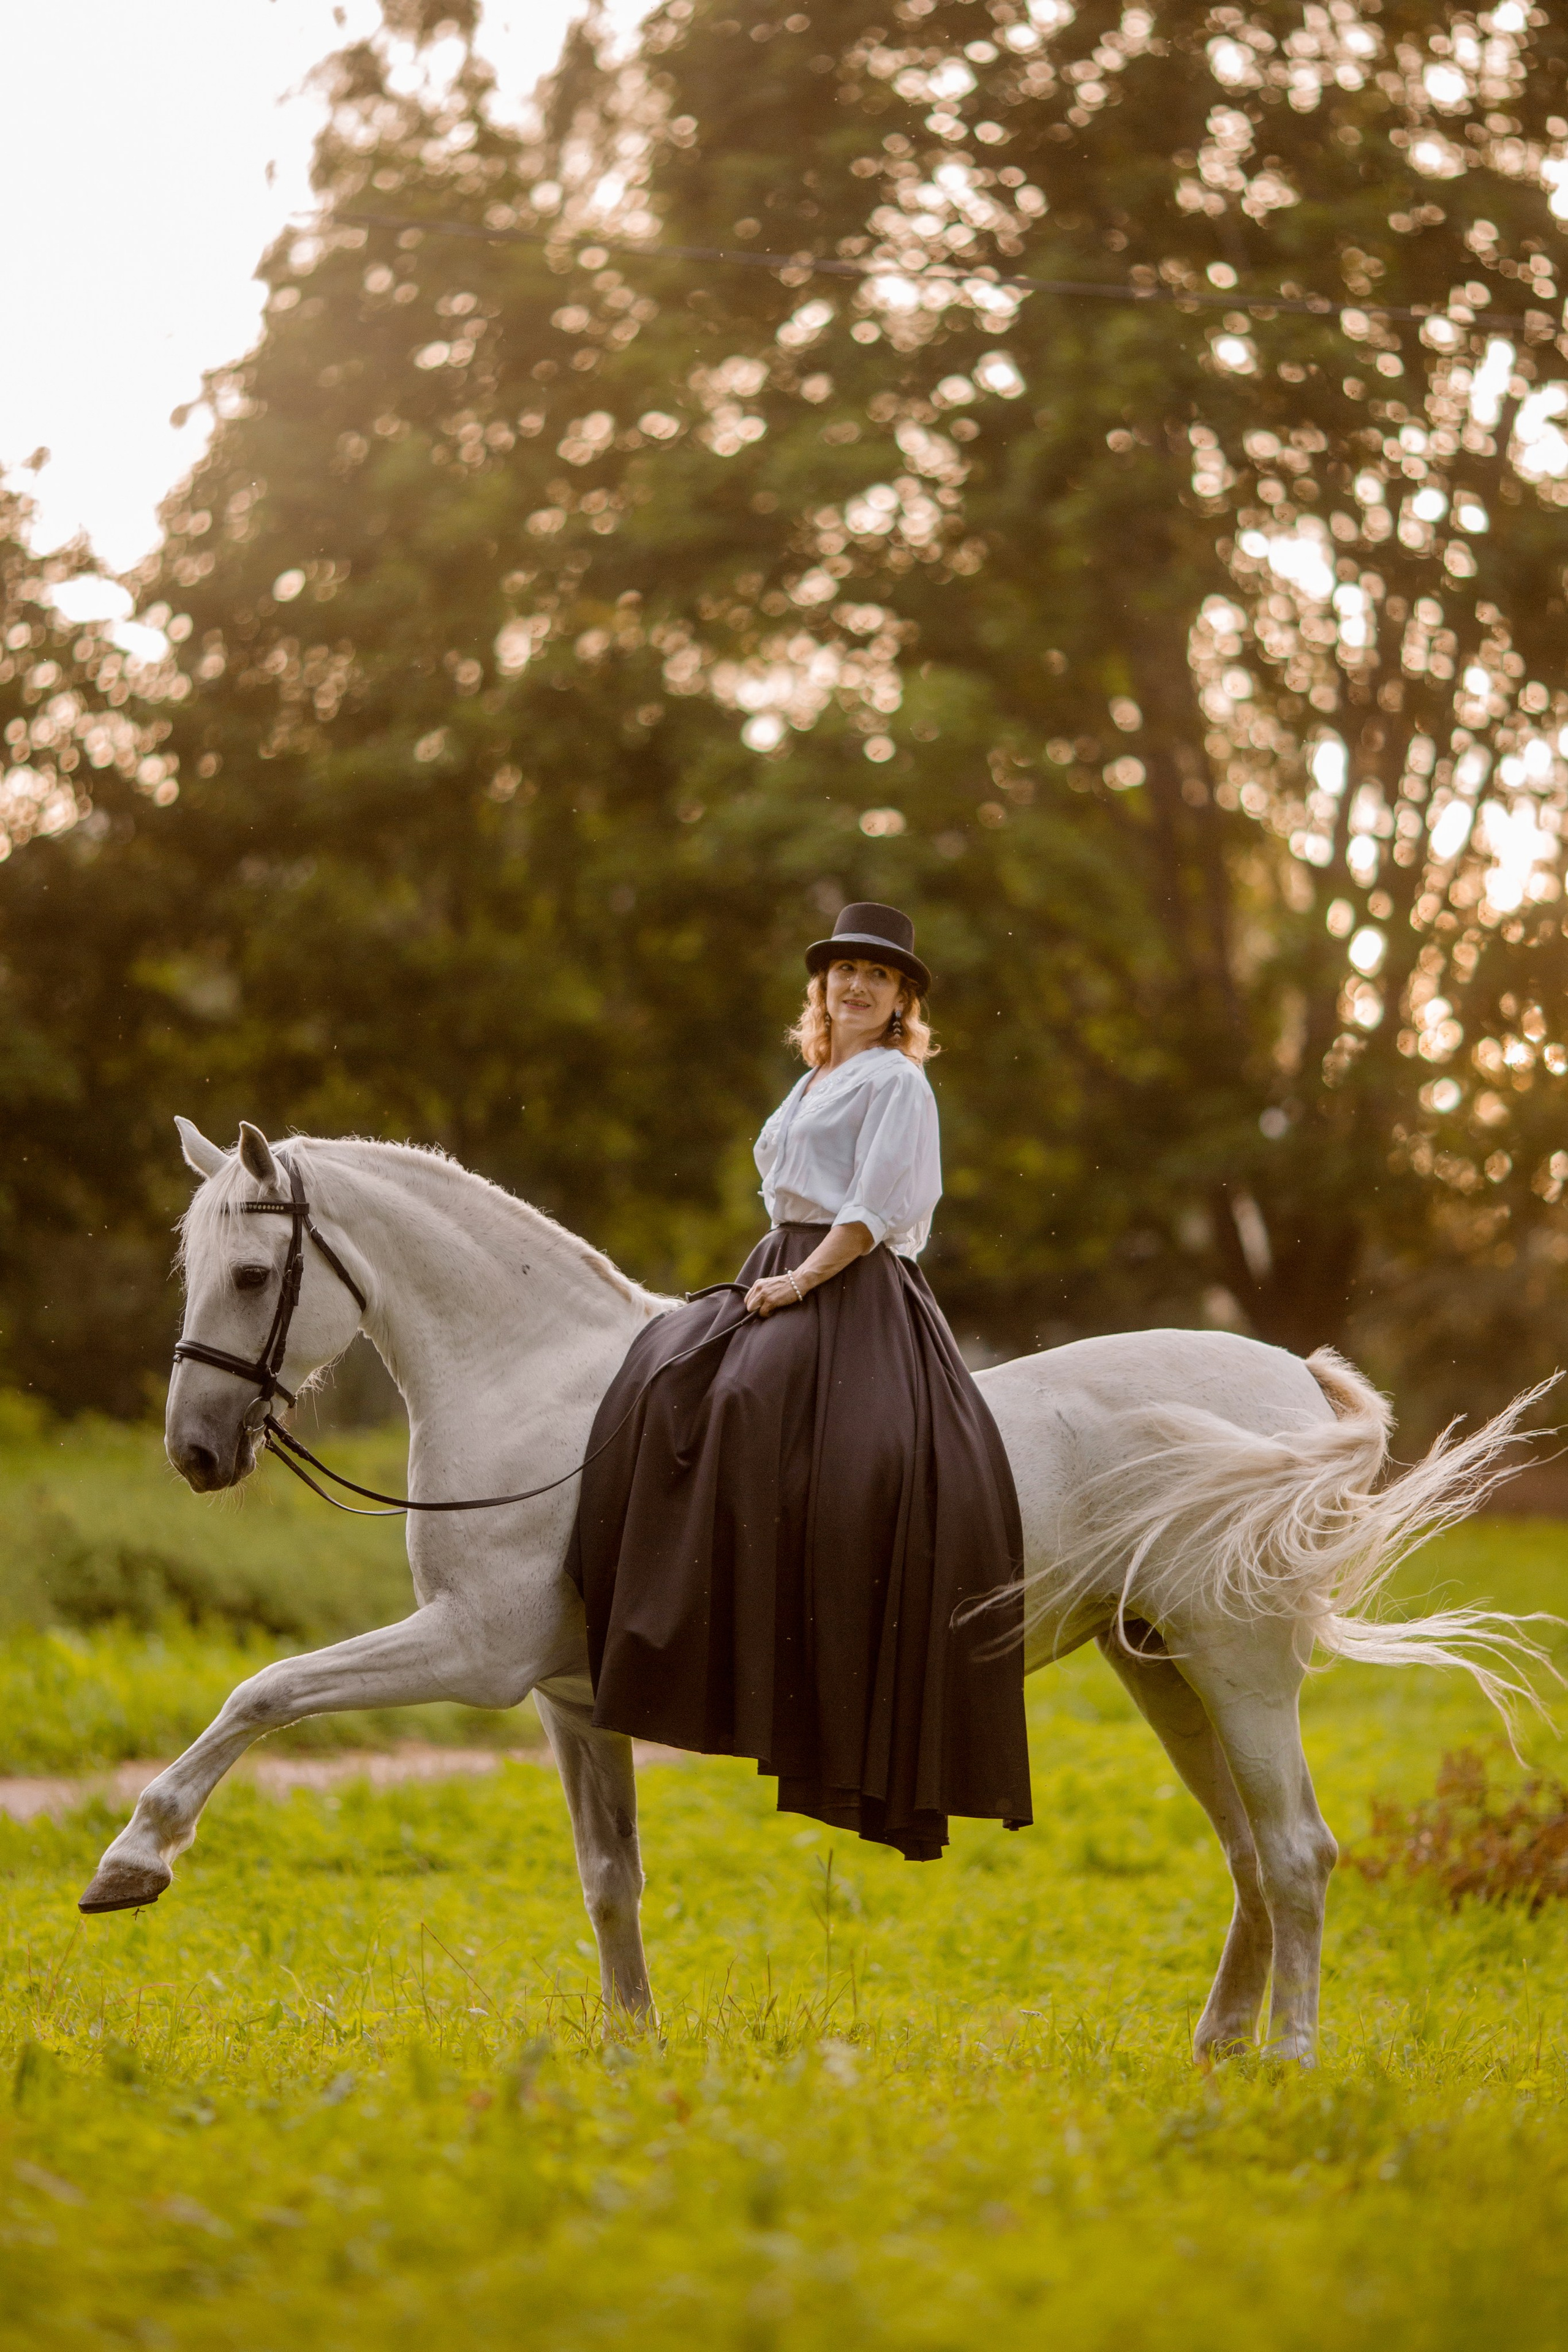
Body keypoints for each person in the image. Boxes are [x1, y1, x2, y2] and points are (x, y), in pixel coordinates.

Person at [568, 903, 1032, 1861]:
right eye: (843, 971)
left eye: (878, 975)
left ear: (902, 1001)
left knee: (742, 1400)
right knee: (664, 1374)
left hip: (850, 1285)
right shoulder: (814, 1077)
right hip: (780, 1262)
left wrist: (800, 1282)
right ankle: (651, 1629)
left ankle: (769, 1638)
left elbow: (873, 1210)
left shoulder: (897, 1082)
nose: (856, 985)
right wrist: (775, 1275)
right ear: (822, 988)